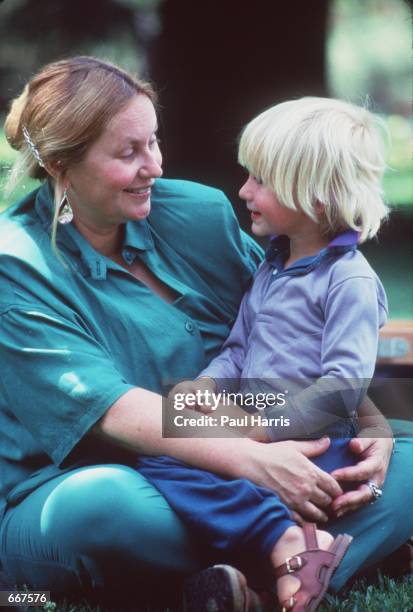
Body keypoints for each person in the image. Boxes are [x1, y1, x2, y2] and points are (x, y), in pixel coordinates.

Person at [0, 56, 411, 610]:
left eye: (155, 141)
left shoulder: (198, 215)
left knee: (404, 454)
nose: (156, 167)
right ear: (59, 164)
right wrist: (251, 455)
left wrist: (373, 428)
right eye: (129, 153)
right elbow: (113, 413)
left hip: (248, 443)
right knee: (102, 506)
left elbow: (290, 329)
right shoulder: (17, 263)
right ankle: (307, 557)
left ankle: (244, 582)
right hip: (117, 477)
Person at [135, 97, 389, 610]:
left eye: (261, 181)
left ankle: (285, 540)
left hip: (313, 442)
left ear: (316, 199)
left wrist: (260, 433)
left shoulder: (349, 281)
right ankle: (268, 563)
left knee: (195, 466)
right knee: (156, 449)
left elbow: (342, 388)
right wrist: (205, 387)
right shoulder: (271, 268)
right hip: (248, 420)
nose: (244, 190)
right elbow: (237, 348)